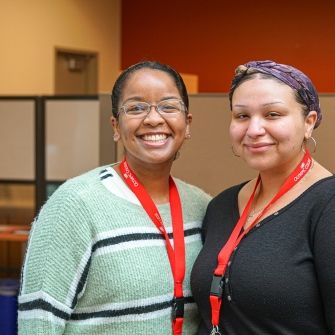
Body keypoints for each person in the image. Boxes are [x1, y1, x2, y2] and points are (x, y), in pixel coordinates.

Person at [18, 61, 211, 335]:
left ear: (187, 123)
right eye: (136, 108)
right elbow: (38, 324)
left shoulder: (202, 207)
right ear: (115, 126)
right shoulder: (74, 205)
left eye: (168, 106)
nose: (154, 119)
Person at [191, 60, 335, 335]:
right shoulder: (221, 205)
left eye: (272, 114)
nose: (254, 130)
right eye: (242, 116)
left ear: (309, 122)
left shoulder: (327, 206)